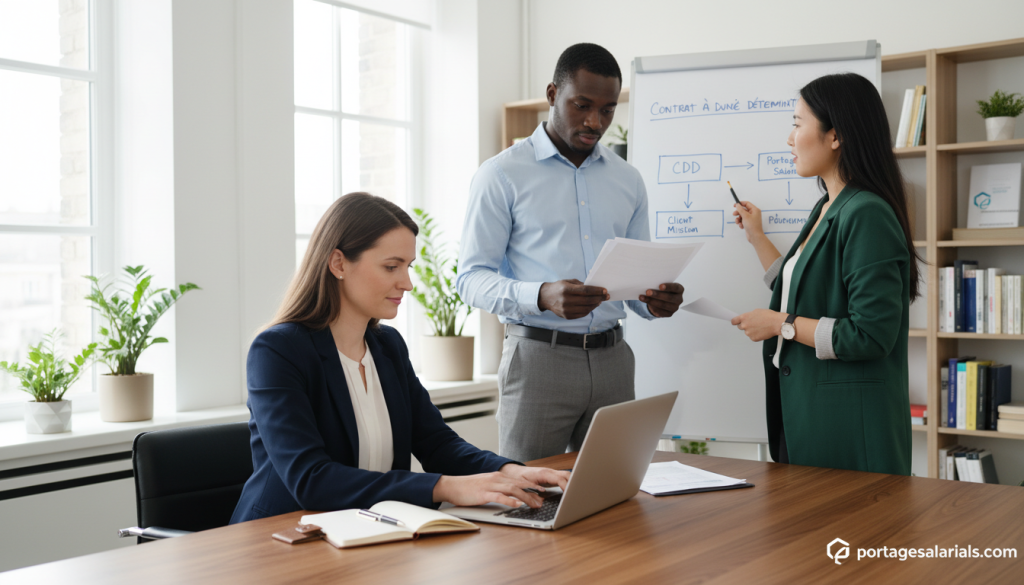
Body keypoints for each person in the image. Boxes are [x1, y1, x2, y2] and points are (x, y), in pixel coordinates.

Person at [231, 193, 569, 524]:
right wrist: (447, 487)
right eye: (391, 266)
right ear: (338, 264)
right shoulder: (277, 350)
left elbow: (436, 443)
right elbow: (311, 479)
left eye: (407, 267)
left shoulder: (387, 345)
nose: (406, 283)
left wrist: (513, 471)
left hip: (369, 529)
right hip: (283, 536)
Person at [456, 43, 685, 463]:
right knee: (526, 498)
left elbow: (636, 282)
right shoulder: (501, 175)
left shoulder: (628, 180)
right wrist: (541, 294)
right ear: (551, 95)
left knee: (614, 492)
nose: (595, 122)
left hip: (615, 360)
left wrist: (656, 301)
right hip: (539, 360)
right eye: (582, 105)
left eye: (608, 110)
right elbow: (470, 279)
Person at [730, 73, 918, 475]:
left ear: (835, 136)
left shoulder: (866, 212)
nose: (789, 139)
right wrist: (757, 237)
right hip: (808, 415)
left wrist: (781, 325)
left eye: (798, 124)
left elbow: (870, 336)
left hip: (848, 429)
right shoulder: (827, 207)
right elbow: (798, 284)